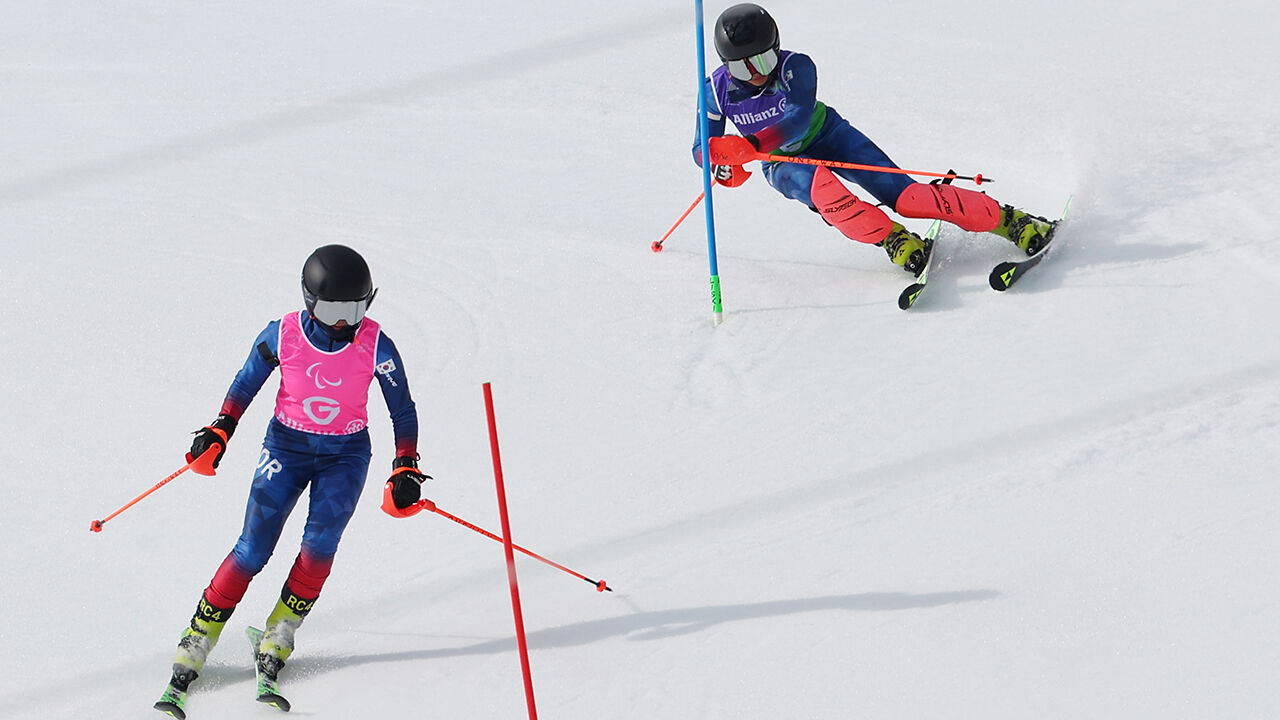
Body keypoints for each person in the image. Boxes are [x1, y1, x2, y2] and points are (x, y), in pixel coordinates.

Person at [154, 244, 431, 719]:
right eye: (332, 310)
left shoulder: (376, 343)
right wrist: (222, 428)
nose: (344, 322)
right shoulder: (281, 335)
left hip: (346, 454)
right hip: (287, 447)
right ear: (309, 301)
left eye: (355, 309)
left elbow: (401, 408)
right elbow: (245, 383)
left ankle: (279, 633)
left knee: (319, 547)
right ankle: (198, 636)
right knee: (253, 548)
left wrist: (404, 463)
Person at [695, 3, 1055, 275]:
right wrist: (722, 163)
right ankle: (892, 238)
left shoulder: (796, 66)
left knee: (909, 198)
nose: (756, 73)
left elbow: (799, 118)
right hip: (781, 165)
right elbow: (700, 150)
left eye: (763, 58)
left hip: (829, 135)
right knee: (826, 194)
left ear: (777, 46)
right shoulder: (714, 91)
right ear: (727, 64)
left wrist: (751, 145)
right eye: (743, 66)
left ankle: (1011, 221)